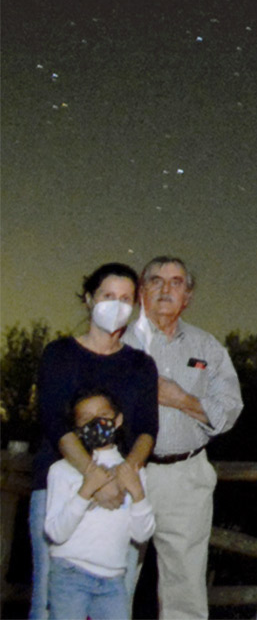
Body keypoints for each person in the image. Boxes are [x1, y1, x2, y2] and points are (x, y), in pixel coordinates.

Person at [29, 262, 159, 620]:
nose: (116, 305)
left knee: (117, 600)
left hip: (122, 495)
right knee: (48, 603)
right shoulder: (59, 354)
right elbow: (55, 422)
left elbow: (147, 430)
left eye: (126, 299)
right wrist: (94, 478)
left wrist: (124, 476)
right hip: (62, 488)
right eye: (108, 295)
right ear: (89, 299)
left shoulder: (141, 365)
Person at [122, 255, 243, 619]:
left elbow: (230, 409)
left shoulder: (208, 348)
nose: (165, 289)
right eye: (155, 281)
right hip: (127, 473)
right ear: (141, 291)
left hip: (186, 476)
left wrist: (182, 400)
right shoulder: (119, 341)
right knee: (115, 575)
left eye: (176, 282)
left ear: (187, 296)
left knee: (185, 586)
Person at [45, 388, 155, 620]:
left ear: (118, 420)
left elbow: (142, 534)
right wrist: (86, 491)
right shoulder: (62, 470)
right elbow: (55, 532)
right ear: (76, 427)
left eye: (103, 415)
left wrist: (137, 492)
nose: (96, 423)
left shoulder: (133, 472)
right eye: (86, 419)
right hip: (70, 573)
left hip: (113, 579)